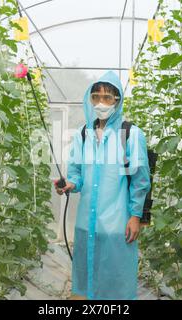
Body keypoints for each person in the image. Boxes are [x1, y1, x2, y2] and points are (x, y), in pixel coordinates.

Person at [54, 70, 151, 300]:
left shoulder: (130, 135)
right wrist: (69, 184)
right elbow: (77, 173)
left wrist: (135, 216)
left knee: (116, 281)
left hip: (117, 225)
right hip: (87, 223)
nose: (100, 103)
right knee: (87, 282)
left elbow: (140, 179)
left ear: (117, 100)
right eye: (96, 96)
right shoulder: (83, 135)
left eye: (107, 97)